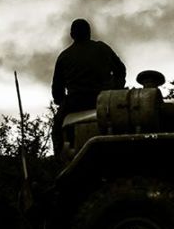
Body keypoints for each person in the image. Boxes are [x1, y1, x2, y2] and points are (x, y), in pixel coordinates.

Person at [51, 19, 126, 155]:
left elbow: (57, 89)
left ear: (72, 34)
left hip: (76, 103)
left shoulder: (64, 56)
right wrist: (115, 91)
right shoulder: (102, 48)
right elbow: (120, 70)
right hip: (104, 100)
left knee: (57, 130)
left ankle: (59, 158)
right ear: (89, 33)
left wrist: (61, 102)